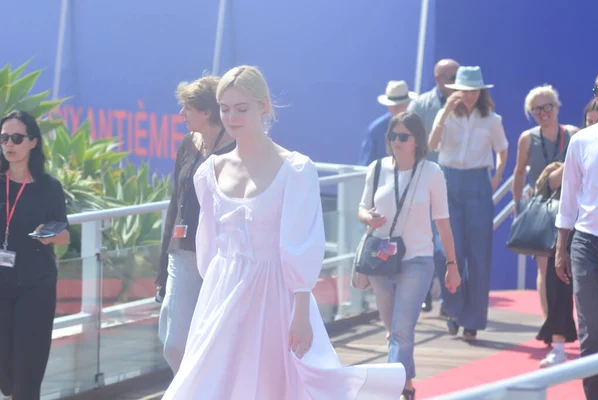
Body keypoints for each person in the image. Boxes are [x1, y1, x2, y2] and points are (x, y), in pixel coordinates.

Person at [162, 65, 406, 400]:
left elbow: (301, 244)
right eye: (225, 109)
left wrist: (302, 313)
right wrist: (213, 293)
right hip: (222, 292)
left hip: (276, 295)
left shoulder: (295, 169)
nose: (232, 118)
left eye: (241, 108)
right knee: (209, 382)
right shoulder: (209, 172)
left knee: (274, 384)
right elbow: (207, 248)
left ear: (263, 106)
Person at [357, 111, 461, 400]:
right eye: (393, 135)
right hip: (381, 258)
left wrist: (451, 265)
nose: (397, 141)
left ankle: (391, 391)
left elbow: (443, 222)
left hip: (417, 259)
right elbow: (361, 208)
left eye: (404, 136)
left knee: (402, 329)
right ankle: (407, 384)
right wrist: (368, 217)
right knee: (393, 331)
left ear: (417, 140)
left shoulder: (432, 173)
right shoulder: (377, 169)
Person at [155, 75, 235, 374]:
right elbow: (176, 201)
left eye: (187, 107)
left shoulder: (234, 149)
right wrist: (162, 264)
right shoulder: (188, 143)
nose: (181, 114)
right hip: (184, 252)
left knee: (214, 338)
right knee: (175, 342)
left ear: (206, 111)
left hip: (222, 256)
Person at [429, 66, 508, 341]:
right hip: (448, 181)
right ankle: (452, 309)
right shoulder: (447, 114)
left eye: (474, 90)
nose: (469, 95)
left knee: (478, 254)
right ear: (456, 90)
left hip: (477, 182)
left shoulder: (491, 119)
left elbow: (502, 149)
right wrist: (444, 113)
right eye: (465, 89)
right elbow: (431, 143)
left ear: (481, 91)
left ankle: (472, 319)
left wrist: (497, 176)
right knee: (447, 251)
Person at [0, 110, 70, 399]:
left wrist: (51, 236)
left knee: (28, 369)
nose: (9, 144)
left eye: (17, 138)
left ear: (33, 142)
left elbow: (64, 234)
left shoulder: (48, 187)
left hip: (36, 286)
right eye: (4, 138)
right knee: (6, 370)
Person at [512, 85, 578, 320]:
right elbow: (519, 173)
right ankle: (550, 323)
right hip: (541, 211)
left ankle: (572, 323)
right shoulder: (527, 139)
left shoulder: (573, 134)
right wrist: (518, 206)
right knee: (544, 267)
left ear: (557, 107)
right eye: (536, 109)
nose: (543, 113)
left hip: (571, 210)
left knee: (573, 267)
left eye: (547, 106)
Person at [408, 58, 460, 314]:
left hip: (454, 181)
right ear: (438, 79)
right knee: (423, 239)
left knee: (446, 244)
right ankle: (425, 292)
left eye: (458, 74)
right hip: (426, 181)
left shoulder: (468, 103)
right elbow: (413, 143)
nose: (456, 80)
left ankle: (448, 300)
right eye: (451, 76)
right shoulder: (421, 105)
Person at [555, 120, 598, 399]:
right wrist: (561, 247)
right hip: (586, 242)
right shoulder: (582, 140)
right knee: (591, 331)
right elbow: (568, 197)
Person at [533, 161, 577, 367]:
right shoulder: (579, 144)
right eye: (589, 124)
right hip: (572, 229)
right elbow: (549, 182)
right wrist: (574, 155)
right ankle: (558, 347)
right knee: (558, 282)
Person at [359, 80, 417, 166]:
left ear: (409, 104)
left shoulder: (419, 126)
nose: (396, 109)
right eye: (393, 106)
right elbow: (366, 165)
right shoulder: (376, 130)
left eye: (400, 105)